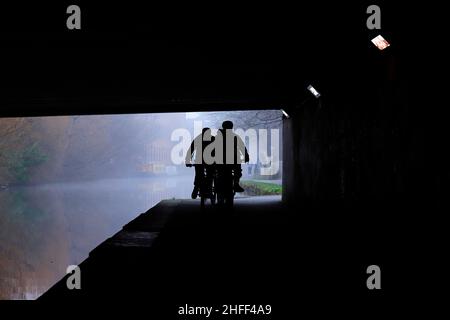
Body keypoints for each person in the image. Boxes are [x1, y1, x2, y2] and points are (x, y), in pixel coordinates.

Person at [216, 120, 249, 192]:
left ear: (223, 126)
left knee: (217, 171)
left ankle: (217, 184)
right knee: (238, 171)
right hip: (233, 158)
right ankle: (236, 184)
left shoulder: (217, 136)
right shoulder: (235, 136)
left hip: (220, 159)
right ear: (231, 127)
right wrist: (246, 156)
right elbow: (242, 146)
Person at [185, 128, 215, 199]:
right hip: (209, 160)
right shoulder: (213, 139)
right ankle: (207, 188)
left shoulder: (198, 138)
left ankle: (196, 188)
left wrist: (187, 161)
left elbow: (191, 150)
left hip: (200, 160)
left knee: (199, 174)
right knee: (209, 174)